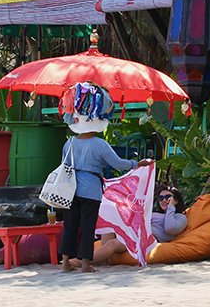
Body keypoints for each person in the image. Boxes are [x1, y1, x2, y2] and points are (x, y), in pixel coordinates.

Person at [59, 82, 153, 273]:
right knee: (87, 227)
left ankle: (65, 263)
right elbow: (118, 164)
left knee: (69, 226)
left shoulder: (68, 143)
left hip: (69, 191)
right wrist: (137, 164)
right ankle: (85, 264)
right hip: (91, 191)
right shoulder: (100, 145)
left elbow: (64, 165)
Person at [91, 184, 188, 265]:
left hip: (144, 239)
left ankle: (81, 262)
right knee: (108, 225)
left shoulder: (180, 217)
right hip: (133, 233)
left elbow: (170, 228)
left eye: (168, 197)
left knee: (112, 244)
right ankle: (103, 259)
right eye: (160, 197)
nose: (163, 200)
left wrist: (171, 207)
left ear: (176, 200)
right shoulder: (155, 213)